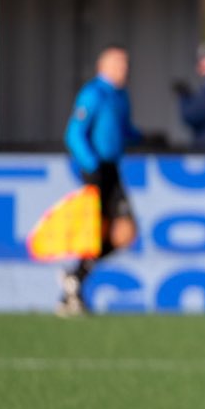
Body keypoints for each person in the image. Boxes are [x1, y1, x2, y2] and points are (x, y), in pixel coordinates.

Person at [58, 45, 142, 317]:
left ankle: (75, 278)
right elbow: (74, 133)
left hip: (112, 169)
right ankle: (74, 283)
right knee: (98, 229)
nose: (124, 69)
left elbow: (123, 130)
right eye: (118, 64)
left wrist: (146, 138)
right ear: (103, 66)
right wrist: (91, 165)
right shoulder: (93, 93)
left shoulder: (120, 95)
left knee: (124, 232)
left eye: (126, 64)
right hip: (97, 170)